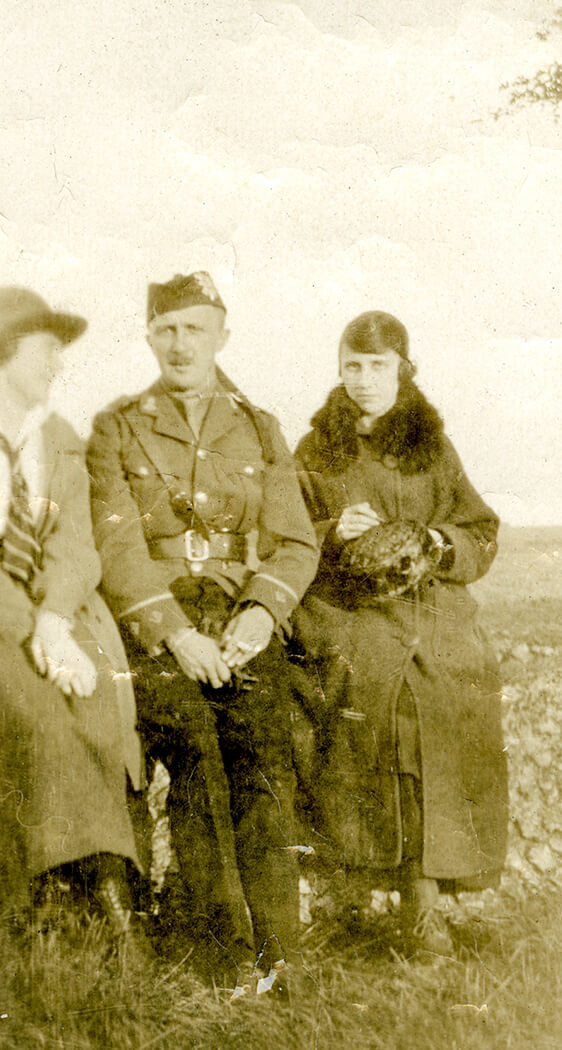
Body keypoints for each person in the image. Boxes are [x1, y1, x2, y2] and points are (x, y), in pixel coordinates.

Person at [85, 272, 319, 988]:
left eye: (194, 328)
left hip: (240, 615)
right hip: (163, 626)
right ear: (149, 336)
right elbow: (117, 548)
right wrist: (175, 634)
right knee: (192, 744)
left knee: (258, 750)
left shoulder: (258, 427)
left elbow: (295, 542)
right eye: (167, 330)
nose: (180, 344)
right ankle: (220, 947)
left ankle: (276, 948)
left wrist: (258, 615)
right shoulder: (116, 428)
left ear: (222, 335)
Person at [292, 310, 508, 954]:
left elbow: (480, 532)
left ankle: (426, 897)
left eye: (378, 366)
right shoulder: (315, 450)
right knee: (392, 701)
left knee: (444, 690)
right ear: (340, 370)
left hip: (432, 611)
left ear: (403, 370)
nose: (363, 380)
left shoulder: (431, 448)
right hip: (346, 612)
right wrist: (332, 532)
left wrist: (436, 541)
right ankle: (408, 905)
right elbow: (284, 538)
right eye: (352, 366)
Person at [0, 287, 143, 945]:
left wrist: (56, 622)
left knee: (95, 701)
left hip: (39, 614)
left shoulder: (56, 440)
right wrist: (29, 629)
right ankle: (49, 889)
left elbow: (76, 545)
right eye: (47, 349)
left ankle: (101, 883)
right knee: (34, 710)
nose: (59, 364)